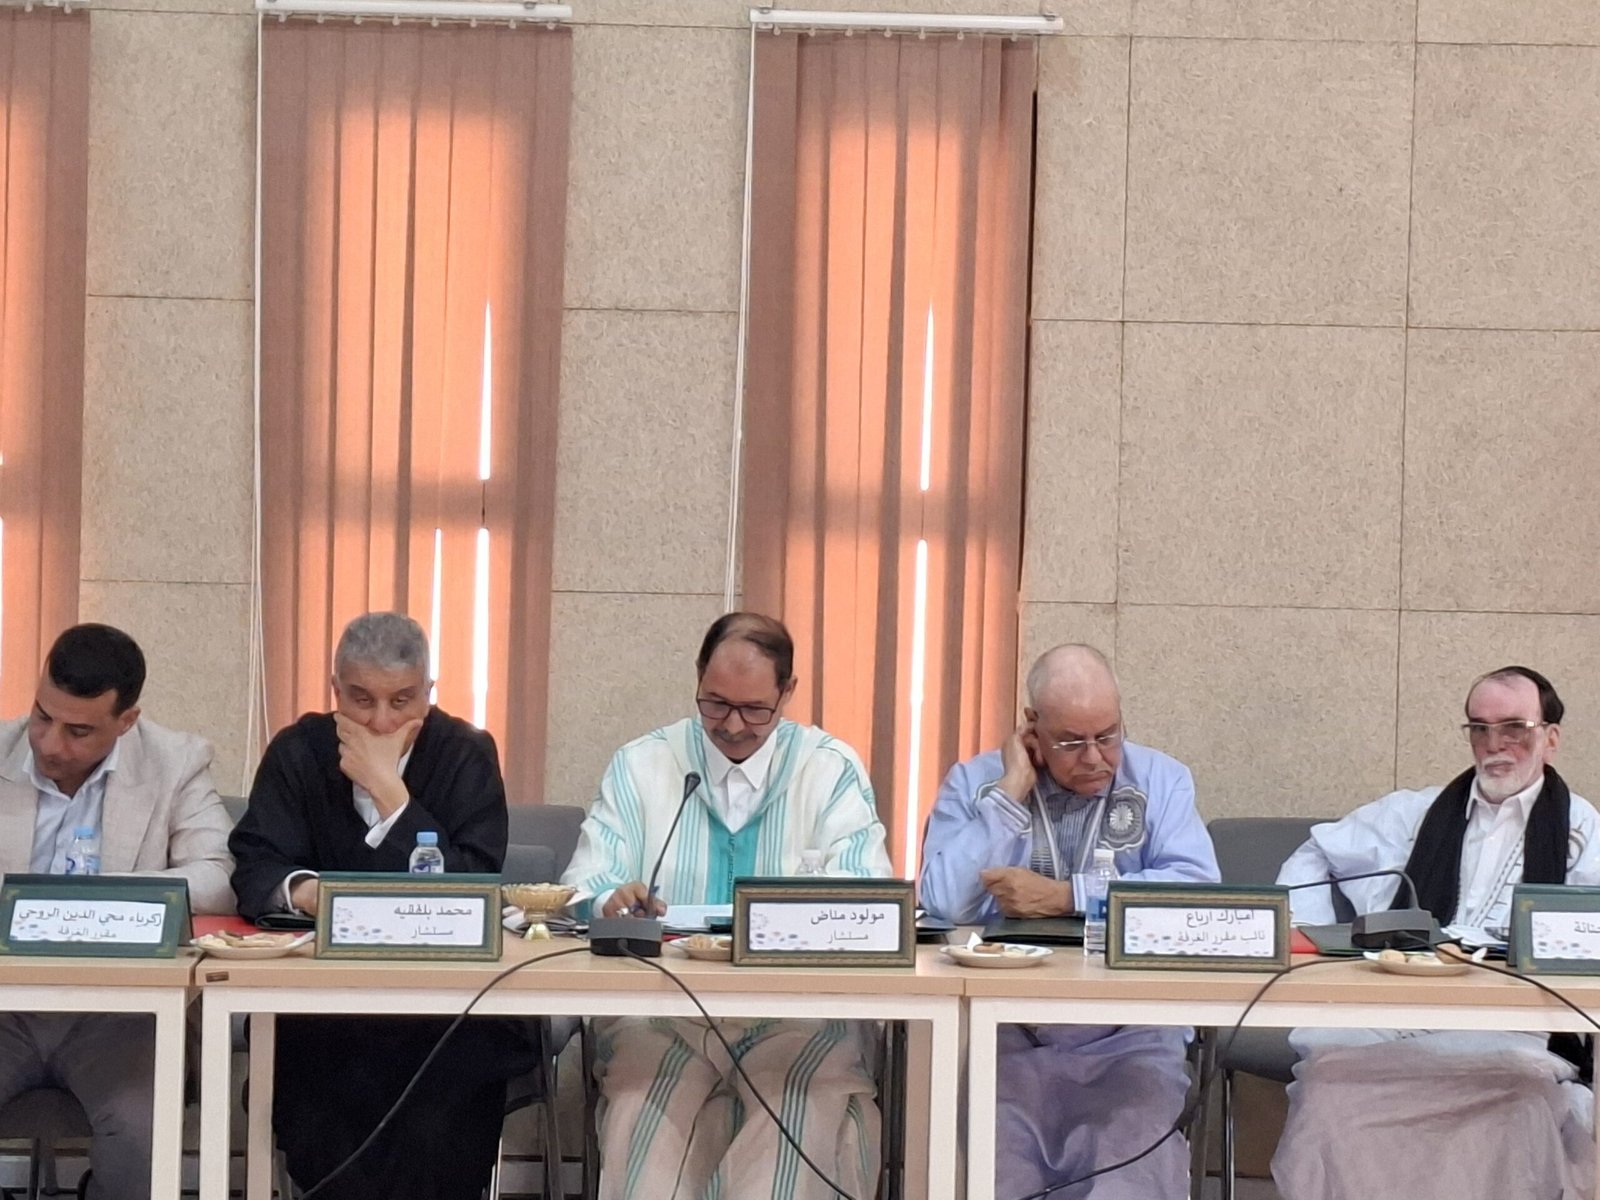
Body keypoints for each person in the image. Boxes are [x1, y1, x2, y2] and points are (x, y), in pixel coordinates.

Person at [563, 612, 892, 1200]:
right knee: (642, 1117)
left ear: (787, 693)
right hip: (660, 1011)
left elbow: (866, 896)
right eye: (715, 704)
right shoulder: (643, 764)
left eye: (754, 710)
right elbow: (584, 884)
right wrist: (610, 900)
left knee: (799, 1112)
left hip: (797, 1014)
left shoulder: (829, 769)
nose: (733, 726)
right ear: (697, 678)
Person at [230, 611, 535, 1200]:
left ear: (428, 691)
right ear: (335, 690)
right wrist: (309, 892)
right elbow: (255, 863)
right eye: (361, 699)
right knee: (320, 1115)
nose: (380, 721)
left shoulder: (467, 752)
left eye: (402, 701)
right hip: (326, 1010)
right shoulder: (298, 751)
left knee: (441, 1127)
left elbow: (472, 883)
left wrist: (392, 797)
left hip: (447, 1014)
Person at [1274, 665, 1600, 1200]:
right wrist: (1312, 937)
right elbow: (1315, 854)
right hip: (1395, 1021)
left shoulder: (1584, 834)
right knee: (1329, 1092)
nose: (1494, 744)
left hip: (1509, 1032)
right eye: (1479, 728)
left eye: (1513, 728)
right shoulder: (1414, 813)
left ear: (1551, 737)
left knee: (1522, 1100)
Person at [920, 643, 1218, 1200]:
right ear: (1032, 727)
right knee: (995, 1169)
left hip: (1130, 1034)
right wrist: (1010, 792)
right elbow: (942, 902)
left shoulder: (1162, 779)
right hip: (1007, 1031)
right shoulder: (976, 782)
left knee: (1129, 1171)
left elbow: (1196, 894)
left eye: (1108, 735)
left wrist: (1068, 896)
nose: (1095, 758)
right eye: (1071, 742)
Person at [0, 623, 233, 1199]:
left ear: (126, 721)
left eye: (79, 731)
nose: (50, 744)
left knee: (140, 1130)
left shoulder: (176, 762)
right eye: (42, 716)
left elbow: (220, 877)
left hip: (124, 1012)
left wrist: (105, 899)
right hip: (5, 1005)